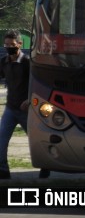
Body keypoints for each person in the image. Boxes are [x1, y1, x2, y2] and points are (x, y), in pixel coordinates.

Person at [0, 30, 49, 179]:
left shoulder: (27, 62)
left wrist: (29, 99)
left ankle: (45, 166)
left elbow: (38, 84)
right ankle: (3, 170)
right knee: (2, 139)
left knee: (36, 141)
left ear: (20, 44)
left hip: (26, 110)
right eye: (6, 44)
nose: (9, 47)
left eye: (12, 44)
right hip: (10, 108)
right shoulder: (4, 62)